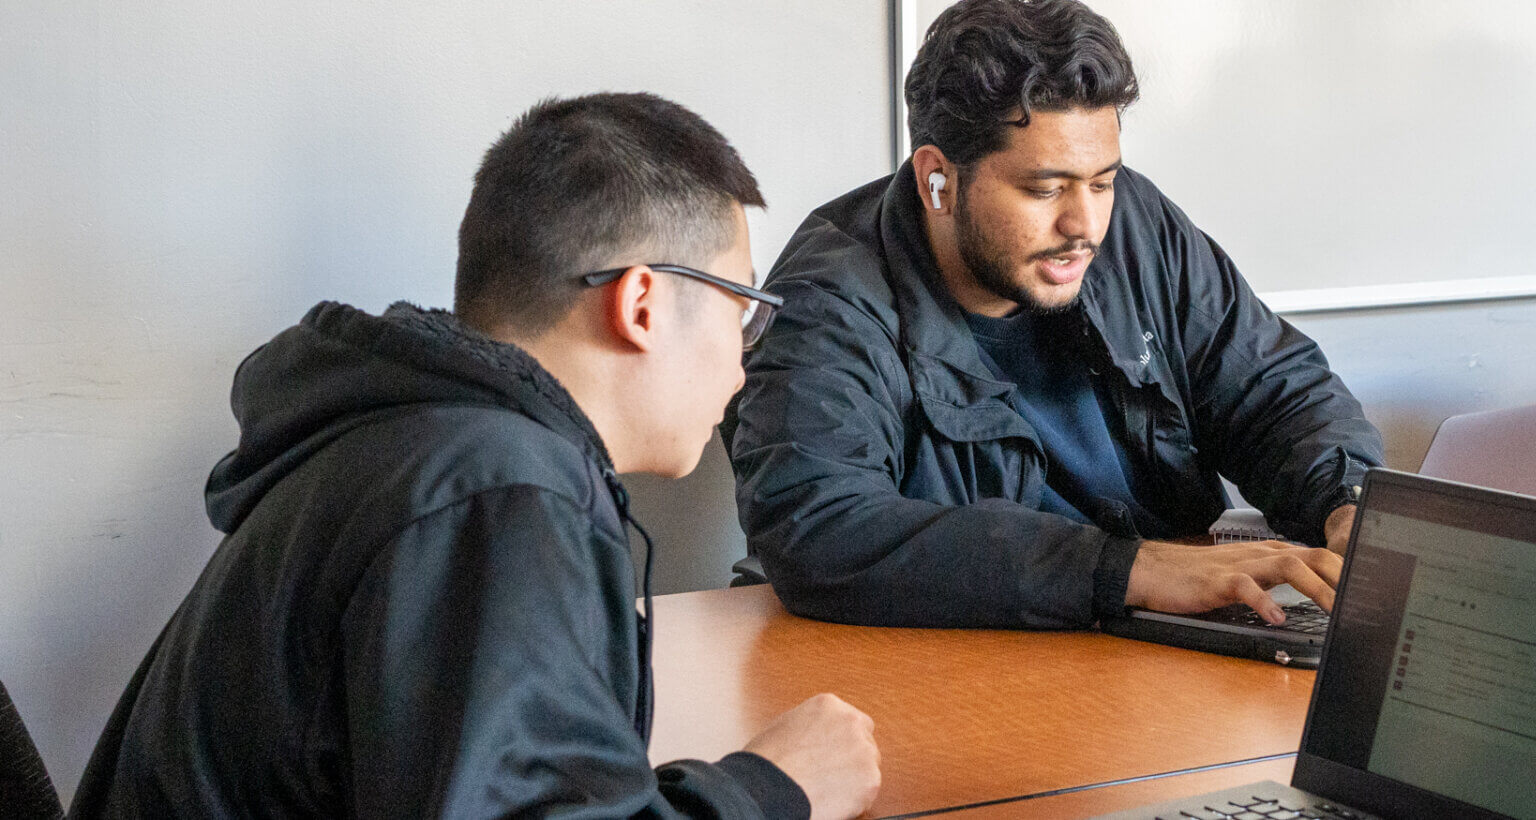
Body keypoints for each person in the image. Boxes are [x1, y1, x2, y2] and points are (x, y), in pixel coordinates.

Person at [70, 93, 880, 819]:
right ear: (641, 303)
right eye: (741, 309)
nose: (744, 364)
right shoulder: (500, 492)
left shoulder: (427, 447)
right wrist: (771, 789)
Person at [726, 0, 1385, 629]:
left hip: (1156, 644)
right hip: (969, 666)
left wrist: (1347, 504)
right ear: (938, 180)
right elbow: (819, 526)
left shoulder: (1135, 225)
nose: (1085, 225)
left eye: (1101, 182)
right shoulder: (827, 301)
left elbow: (1273, 389)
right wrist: (1124, 571)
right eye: (1044, 189)